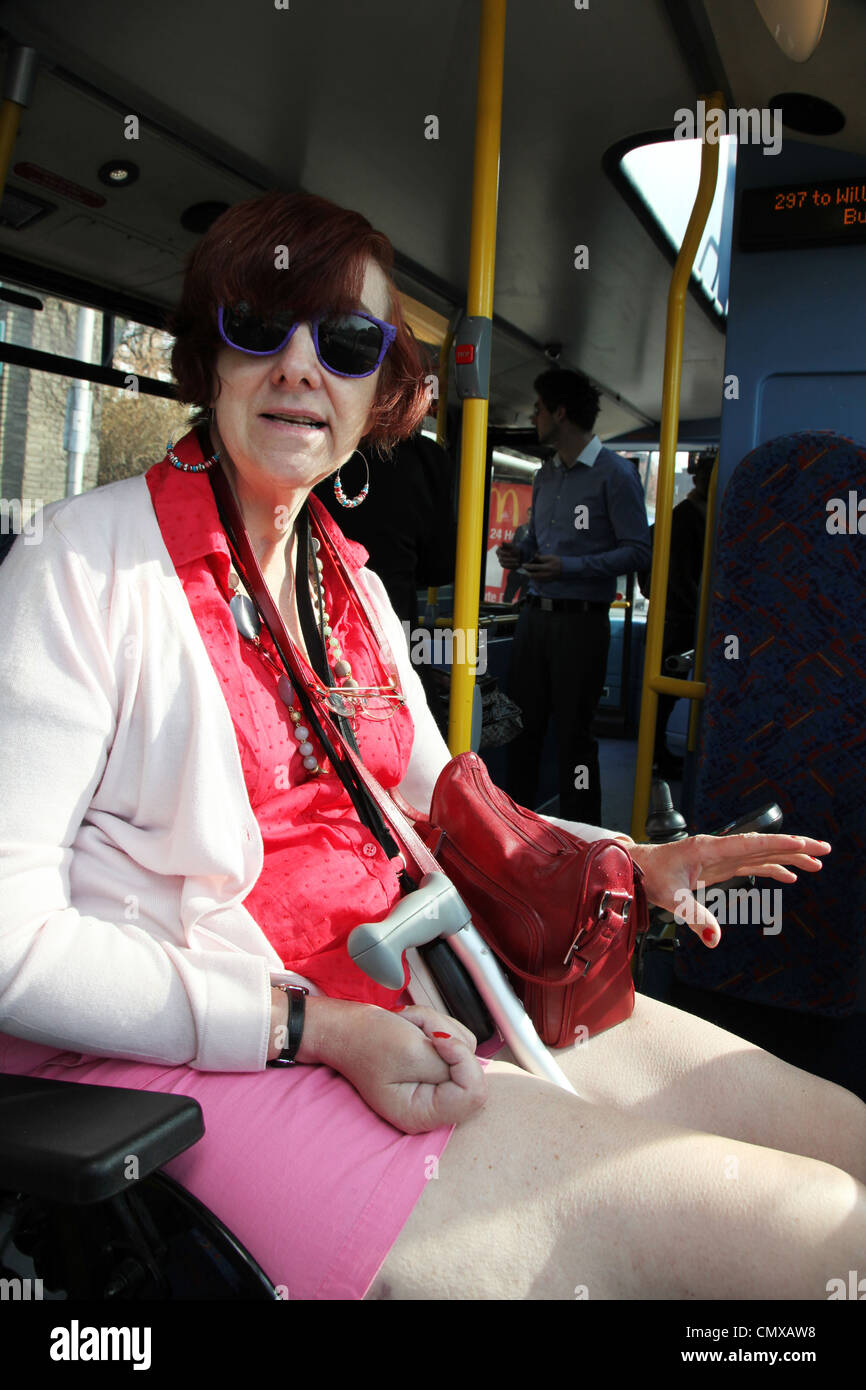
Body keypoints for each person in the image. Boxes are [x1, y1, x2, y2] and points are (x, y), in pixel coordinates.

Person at [0, 192, 863, 1304]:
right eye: (258, 328)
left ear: (382, 391)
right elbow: (11, 939)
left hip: (409, 987)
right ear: (207, 358)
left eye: (346, 342)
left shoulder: (342, 582)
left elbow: (432, 805)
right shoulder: (80, 568)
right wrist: (308, 1026)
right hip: (190, 1047)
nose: (300, 368)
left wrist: (628, 858)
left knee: (842, 1143)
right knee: (814, 1238)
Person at [498, 371, 652, 823]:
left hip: (581, 624)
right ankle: (517, 832)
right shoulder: (546, 476)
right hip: (535, 618)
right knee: (521, 730)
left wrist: (572, 568)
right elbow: (540, 546)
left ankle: (584, 839)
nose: (534, 416)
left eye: (539, 409)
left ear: (560, 413)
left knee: (574, 739)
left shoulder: (616, 475)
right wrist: (520, 552)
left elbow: (638, 550)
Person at [313, 429, 456, 626]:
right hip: (392, 623)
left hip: (313, 617)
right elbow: (439, 569)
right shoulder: (425, 459)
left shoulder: (313, 444)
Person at [639, 452, 715, 778]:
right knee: (665, 696)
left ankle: (658, 754)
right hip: (680, 621)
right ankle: (655, 757)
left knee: (667, 697)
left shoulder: (694, 514)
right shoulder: (690, 517)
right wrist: (705, 617)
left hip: (676, 618)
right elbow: (684, 578)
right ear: (699, 480)